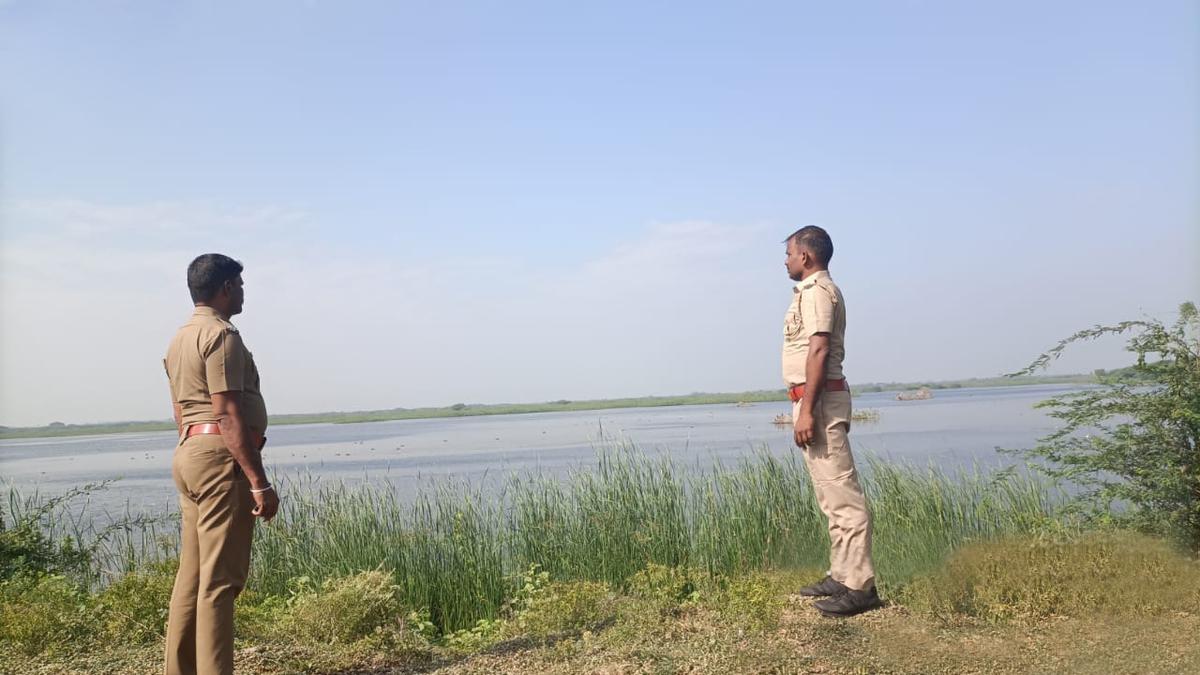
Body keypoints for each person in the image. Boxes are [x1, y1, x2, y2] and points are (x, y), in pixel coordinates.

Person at [163, 253, 279, 675]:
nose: (245, 292)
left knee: (191, 579)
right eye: (241, 285)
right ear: (226, 287)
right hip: (217, 458)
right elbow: (227, 412)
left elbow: (180, 411)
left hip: (189, 453)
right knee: (219, 584)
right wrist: (258, 482)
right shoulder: (221, 336)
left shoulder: (179, 339)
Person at [781, 226, 881, 617]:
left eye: (789, 253)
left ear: (806, 257)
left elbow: (819, 350)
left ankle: (860, 588)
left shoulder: (818, 292)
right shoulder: (808, 293)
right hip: (813, 399)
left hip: (819, 401)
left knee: (844, 497)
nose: (785, 261)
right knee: (830, 496)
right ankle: (842, 574)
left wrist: (807, 409)